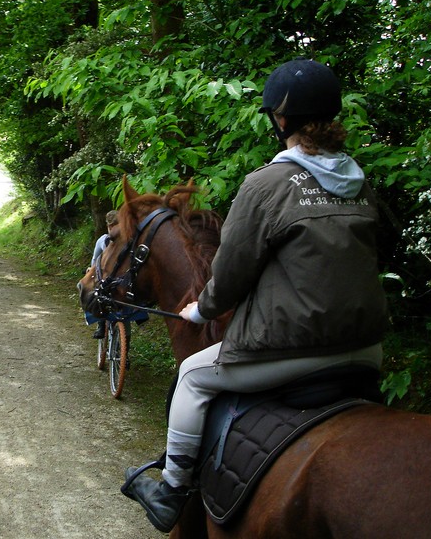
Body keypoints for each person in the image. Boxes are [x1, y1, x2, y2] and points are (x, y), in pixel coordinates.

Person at [122, 58, 389, 532]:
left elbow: (228, 276)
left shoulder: (266, 184)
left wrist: (198, 308)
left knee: (192, 376)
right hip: (366, 350)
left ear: (279, 120)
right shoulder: (361, 184)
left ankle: (171, 490)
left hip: (293, 351)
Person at [88, 210, 119, 338]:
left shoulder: (104, 240)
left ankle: (101, 327)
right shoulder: (104, 241)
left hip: (113, 278)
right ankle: (101, 325)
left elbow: (95, 259)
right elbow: (95, 260)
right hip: (114, 278)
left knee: (98, 295)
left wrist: (91, 270)